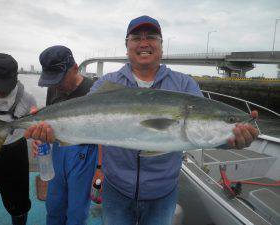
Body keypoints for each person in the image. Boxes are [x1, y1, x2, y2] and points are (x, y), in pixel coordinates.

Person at [25, 16, 259, 225]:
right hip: (115, 189)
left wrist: (231, 139)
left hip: (163, 192)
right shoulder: (106, 83)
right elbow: (87, 127)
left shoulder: (184, 86)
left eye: (152, 37)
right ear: (127, 45)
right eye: (136, 37)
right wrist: (49, 132)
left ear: (161, 45)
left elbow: (204, 135)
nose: (144, 42)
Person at [30, 45, 98, 225]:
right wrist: (40, 137)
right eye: (51, 80)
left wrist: (100, 169)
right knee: (54, 206)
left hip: (85, 155)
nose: (55, 85)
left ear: (76, 68)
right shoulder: (54, 88)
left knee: (76, 211)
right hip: (57, 152)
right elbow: (47, 121)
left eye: (59, 79)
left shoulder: (94, 90)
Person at [0, 53, 35, 225]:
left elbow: (34, 127)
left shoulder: (27, 98)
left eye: (6, 86)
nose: (1, 91)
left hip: (14, 156)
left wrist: (38, 136)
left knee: (19, 203)